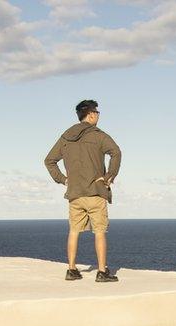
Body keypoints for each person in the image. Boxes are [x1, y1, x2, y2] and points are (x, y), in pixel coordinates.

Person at [44, 99, 122, 282]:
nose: (98, 116)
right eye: (97, 113)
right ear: (92, 114)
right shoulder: (98, 135)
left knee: (73, 231)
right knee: (100, 231)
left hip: (75, 194)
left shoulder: (66, 137)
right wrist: (109, 176)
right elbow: (116, 152)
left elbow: (49, 160)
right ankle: (102, 272)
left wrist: (63, 180)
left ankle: (71, 270)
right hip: (95, 191)